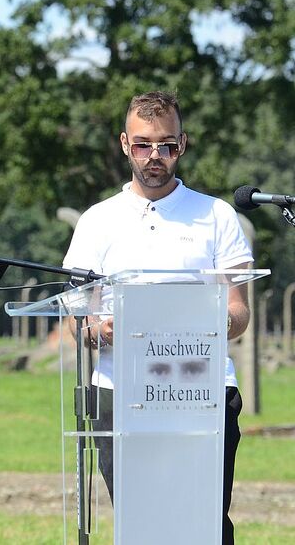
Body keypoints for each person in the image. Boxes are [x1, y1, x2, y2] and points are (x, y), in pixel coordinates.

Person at [62, 90, 251, 544]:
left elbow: (239, 311)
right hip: (120, 392)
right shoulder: (97, 220)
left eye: (166, 145)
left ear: (182, 144)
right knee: (142, 526)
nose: (155, 156)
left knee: (203, 525)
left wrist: (203, 324)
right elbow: (75, 317)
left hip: (204, 392)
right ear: (125, 144)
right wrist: (100, 331)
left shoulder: (216, 215)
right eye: (144, 145)